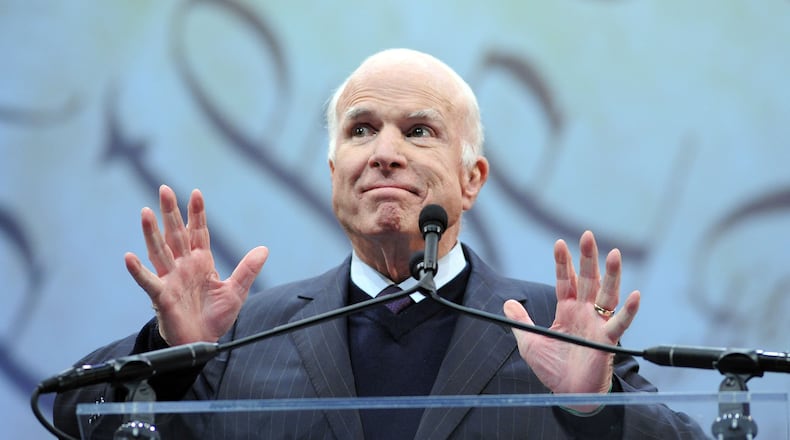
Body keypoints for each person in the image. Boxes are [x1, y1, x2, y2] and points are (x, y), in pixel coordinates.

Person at [53, 48, 706, 439]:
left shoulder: (552, 332)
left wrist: (596, 411)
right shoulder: (242, 338)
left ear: (472, 178)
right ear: (334, 171)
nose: (385, 153)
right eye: (361, 129)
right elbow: (74, 418)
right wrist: (173, 353)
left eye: (419, 130)